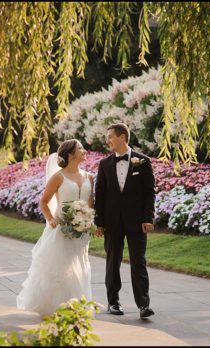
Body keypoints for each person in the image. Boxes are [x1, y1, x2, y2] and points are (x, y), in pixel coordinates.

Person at [16, 139, 94, 317]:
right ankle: (54, 306)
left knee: (79, 266)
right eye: (81, 148)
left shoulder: (90, 177)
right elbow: (43, 202)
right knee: (58, 268)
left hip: (81, 231)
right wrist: (51, 219)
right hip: (60, 228)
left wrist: (88, 220)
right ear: (71, 155)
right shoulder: (58, 177)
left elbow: (91, 203)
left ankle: (76, 305)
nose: (85, 151)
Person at [94, 123, 156, 319]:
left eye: (111, 136)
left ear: (122, 137)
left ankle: (143, 305)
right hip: (112, 222)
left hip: (137, 222)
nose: (108, 141)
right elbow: (100, 195)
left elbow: (149, 193)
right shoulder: (104, 164)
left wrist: (148, 217)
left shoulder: (143, 161)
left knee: (139, 262)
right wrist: (99, 222)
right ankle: (113, 302)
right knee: (113, 262)